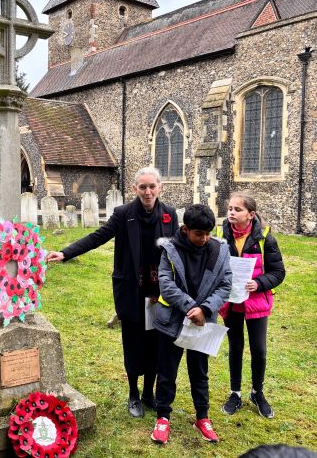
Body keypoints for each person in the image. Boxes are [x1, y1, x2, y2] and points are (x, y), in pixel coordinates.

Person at [47, 167, 178, 418]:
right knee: (133, 343)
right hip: (131, 290)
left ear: (160, 187)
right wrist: (65, 253)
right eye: (143, 187)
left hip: (157, 292)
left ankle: (148, 393)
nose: (148, 192)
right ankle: (133, 394)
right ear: (135, 189)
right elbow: (98, 237)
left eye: (152, 186)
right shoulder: (123, 214)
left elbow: (178, 250)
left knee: (154, 343)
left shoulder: (169, 215)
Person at [151, 204, 232, 445]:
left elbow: (225, 285)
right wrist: (190, 307)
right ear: (185, 229)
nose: (204, 239)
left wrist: (205, 309)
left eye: (208, 233)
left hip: (202, 323)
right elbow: (166, 284)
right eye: (199, 234)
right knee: (166, 372)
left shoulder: (220, 251)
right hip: (171, 321)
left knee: (200, 372)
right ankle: (163, 416)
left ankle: (202, 417)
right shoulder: (169, 250)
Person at [218, 192, 285, 419]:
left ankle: (257, 393)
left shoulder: (265, 238)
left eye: (237, 209)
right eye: (230, 208)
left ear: (251, 214)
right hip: (232, 302)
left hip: (256, 302)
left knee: (259, 349)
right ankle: (235, 393)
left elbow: (278, 272)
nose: (231, 213)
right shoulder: (221, 234)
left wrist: (258, 283)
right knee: (235, 347)